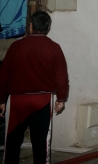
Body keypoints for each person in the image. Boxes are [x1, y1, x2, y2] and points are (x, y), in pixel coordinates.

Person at [0, 11, 69, 164]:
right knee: (41, 143)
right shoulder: (54, 48)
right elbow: (62, 78)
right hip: (42, 101)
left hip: (17, 101)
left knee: (12, 142)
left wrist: (1, 100)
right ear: (48, 27)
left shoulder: (15, 47)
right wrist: (61, 99)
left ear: (30, 26)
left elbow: (3, 75)